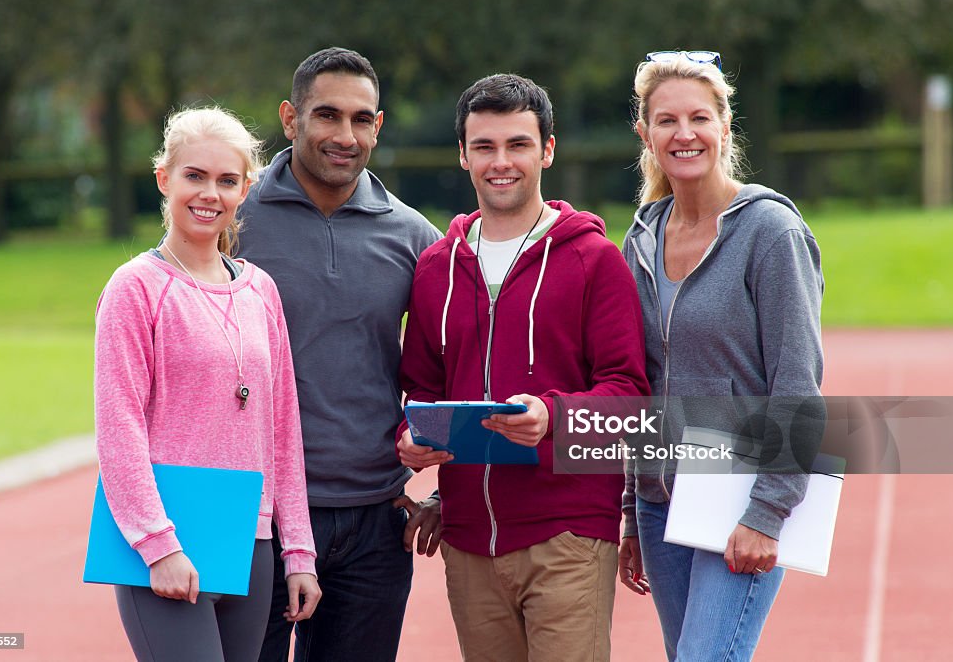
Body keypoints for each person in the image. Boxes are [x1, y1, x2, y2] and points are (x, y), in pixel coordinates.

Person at [398, 73, 650, 662]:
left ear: (548, 150)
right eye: (484, 146)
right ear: (463, 154)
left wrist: (554, 417)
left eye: (517, 144)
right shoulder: (435, 269)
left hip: (567, 536)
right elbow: (418, 389)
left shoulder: (595, 260)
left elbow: (630, 394)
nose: (500, 162)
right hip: (468, 542)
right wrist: (409, 438)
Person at [234, 47, 443, 662]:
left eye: (361, 119)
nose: (344, 135)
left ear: (378, 126)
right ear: (290, 118)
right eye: (326, 115)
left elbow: (459, 368)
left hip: (375, 524)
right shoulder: (233, 221)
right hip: (254, 519)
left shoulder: (414, 237)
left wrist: (448, 490)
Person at [94, 107, 321, 662]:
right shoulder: (135, 288)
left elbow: (283, 428)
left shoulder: (261, 290)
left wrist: (298, 552)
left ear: (246, 189)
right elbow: (118, 426)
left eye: (226, 180)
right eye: (195, 176)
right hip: (165, 540)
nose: (209, 194)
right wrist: (157, 544)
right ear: (164, 178)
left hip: (250, 537)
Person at [620, 50, 824, 661]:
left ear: (724, 127)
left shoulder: (771, 233)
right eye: (666, 121)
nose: (684, 134)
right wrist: (634, 509)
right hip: (662, 507)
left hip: (739, 498)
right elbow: (642, 384)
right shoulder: (642, 238)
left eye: (699, 118)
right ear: (645, 133)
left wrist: (767, 512)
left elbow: (797, 382)